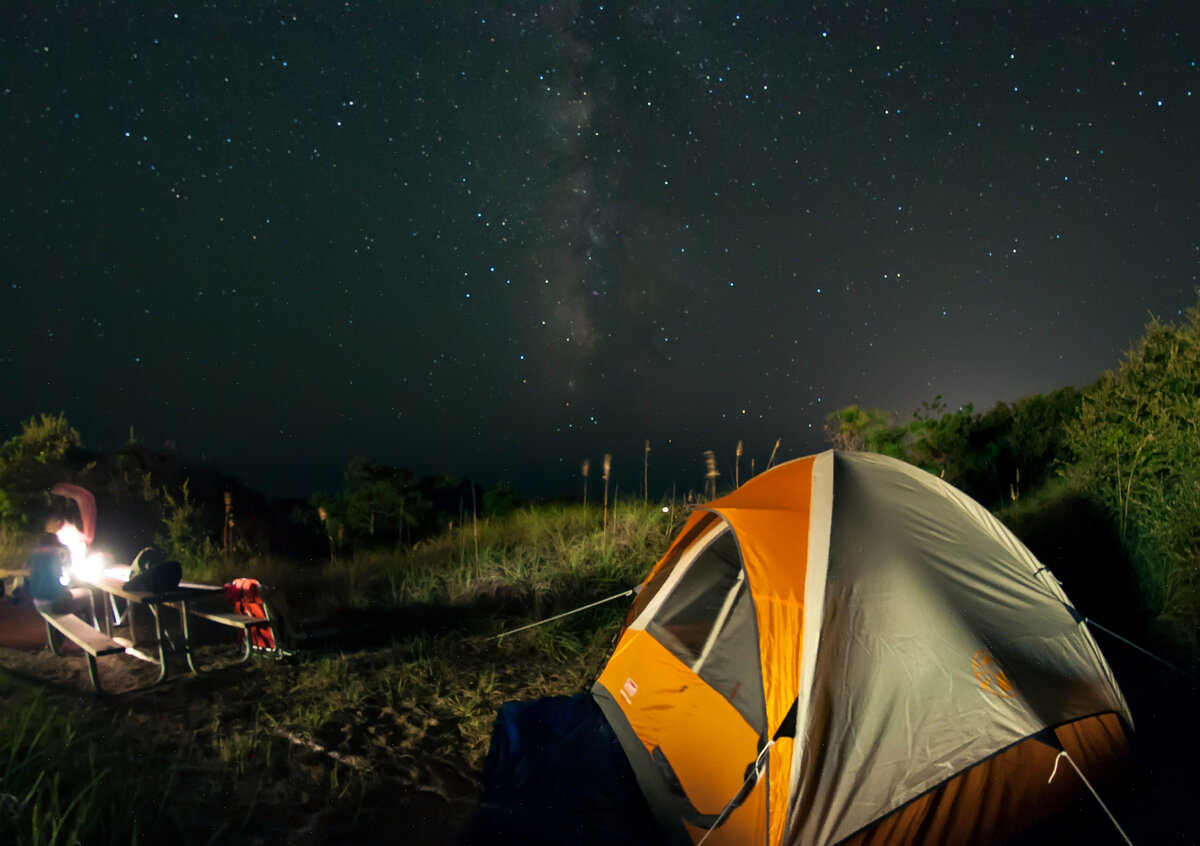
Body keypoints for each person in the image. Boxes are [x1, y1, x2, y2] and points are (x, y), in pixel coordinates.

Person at [28, 510, 95, 619]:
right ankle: (93, 630)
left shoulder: (35, 552)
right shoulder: (56, 553)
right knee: (87, 593)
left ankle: (59, 635)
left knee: (68, 595)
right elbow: (63, 575)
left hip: (37, 603)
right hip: (52, 603)